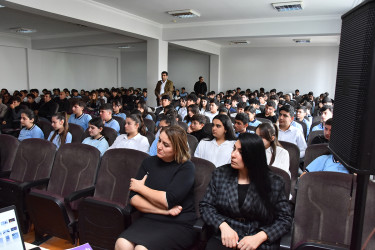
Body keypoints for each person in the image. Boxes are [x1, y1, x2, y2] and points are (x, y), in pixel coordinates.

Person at [200, 133, 292, 250]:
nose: (233, 155)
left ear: (254, 156)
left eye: (241, 152)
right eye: (234, 149)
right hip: (226, 236)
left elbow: (285, 219)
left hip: (257, 238)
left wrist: (261, 236)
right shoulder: (220, 174)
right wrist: (222, 226)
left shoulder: (274, 182)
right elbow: (206, 206)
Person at [115, 126, 197, 250]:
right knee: (121, 244)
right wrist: (163, 211)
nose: (159, 146)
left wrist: (140, 188)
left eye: (166, 145)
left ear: (177, 148)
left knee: (141, 249)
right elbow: (133, 199)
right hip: (150, 217)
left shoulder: (186, 167)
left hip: (179, 222)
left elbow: (167, 200)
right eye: (159, 141)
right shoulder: (148, 162)